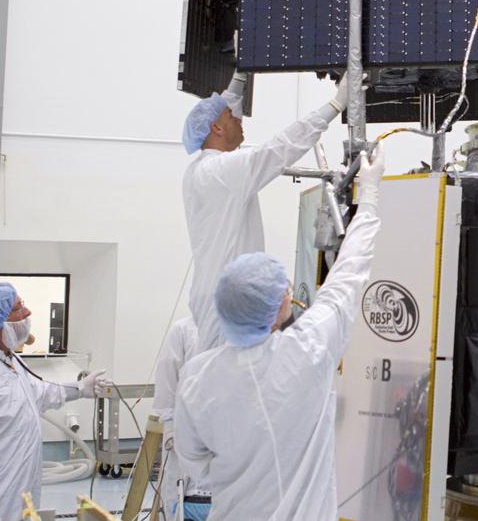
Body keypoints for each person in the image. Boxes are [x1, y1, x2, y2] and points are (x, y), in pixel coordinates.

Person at [174, 146, 384, 520]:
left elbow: (196, 463)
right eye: (284, 290)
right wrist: (368, 199)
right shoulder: (308, 351)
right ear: (276, 310)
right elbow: (348, 276)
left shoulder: (196, 378)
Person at [182, 72, 350, 351]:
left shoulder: (200, 171)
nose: (239, 118)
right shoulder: (223, 171)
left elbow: (222, 107)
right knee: (228, 380)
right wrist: (335, 105)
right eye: (232, 117)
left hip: (216, 294)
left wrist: (239, 73)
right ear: (217, 129)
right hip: (227, 301)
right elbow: (280, 149)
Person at [0, 283, 109, 520]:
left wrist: (80, 388)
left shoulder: (8, 359)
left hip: (17, 496)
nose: (27, 313)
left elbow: (37, 393)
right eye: (18, 309)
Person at [153, 316, 209, 518]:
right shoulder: (184, 331)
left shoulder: (249, 330)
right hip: (189, 450)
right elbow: (167, 390)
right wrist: (170, 427)